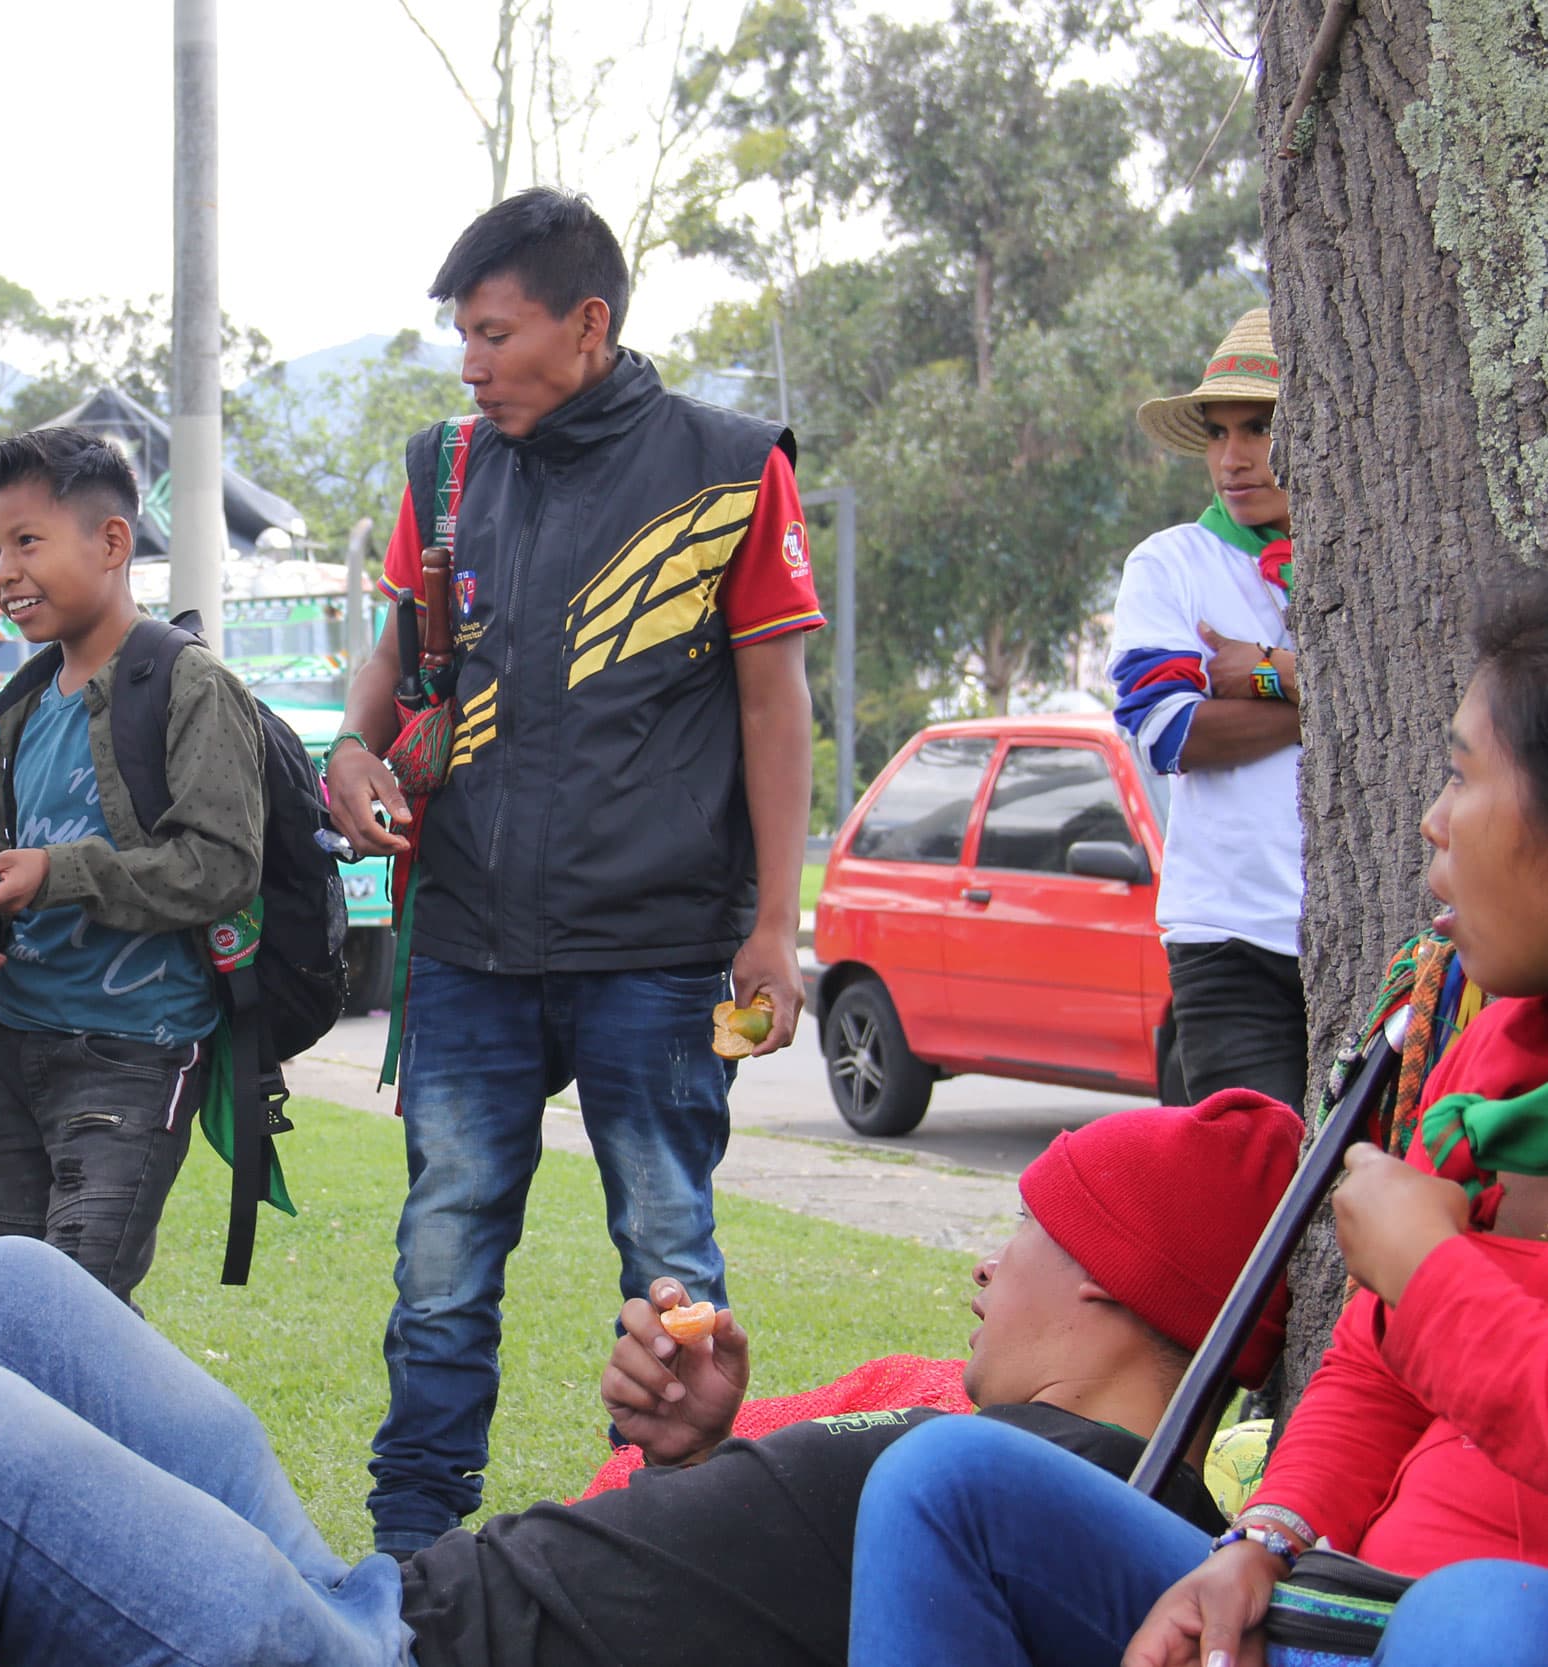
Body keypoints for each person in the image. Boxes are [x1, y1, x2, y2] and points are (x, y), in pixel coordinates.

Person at [0, 1088, 1301, 1667]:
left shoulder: (1076, 1520)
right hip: (389, 1594)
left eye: (1019, 1229)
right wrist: (695, 1443)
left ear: (1110, 1274)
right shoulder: (954, 1405)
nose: (983, 1262)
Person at [843, 574, 1548, 1667]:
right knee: (944, 1483)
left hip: (1477, 1629)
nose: (1432, 819)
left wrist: (1433, 1270)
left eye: (1462, 776)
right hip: (1345, 1604)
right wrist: (1262, 1538)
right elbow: (1368, 1367)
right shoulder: (1492, 1049)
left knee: (1484, 1615)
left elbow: (1441, 1324)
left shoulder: (1441, 1220)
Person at [321, 187, 824, 1552]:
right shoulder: (443, 468)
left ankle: (653, 1540)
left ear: (588, 324)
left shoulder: (731, 466)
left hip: (661, 953)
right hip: (467, 941)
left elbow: (780, 707)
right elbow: (390, 662)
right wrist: (352, 755)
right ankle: (413, 1555)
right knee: (440, 1261)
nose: (470, 366)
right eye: (461, 338)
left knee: (672, 1259)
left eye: (494, 333)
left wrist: (774, 927)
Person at [0, 427, 264, 1305]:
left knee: (74, 1313)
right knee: (8, 1299)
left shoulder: (187, 684)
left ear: (113, 542)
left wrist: (58, 872)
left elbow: (223, 864)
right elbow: (22, 850)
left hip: (133, 1052)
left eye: (28, 542)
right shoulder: (21, 704)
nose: (4, 572)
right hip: (14, 1041)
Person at [1110, 307, 1307, 1111]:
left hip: (1381, 932)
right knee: (1254, 1197)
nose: (1233, 457)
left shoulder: (1376, 552)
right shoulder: (1170, 563)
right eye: (1219, 433)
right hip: (1228, 937)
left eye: (1258, 428)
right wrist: (1335, 694)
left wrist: (1265, 671)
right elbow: (1174, 733)